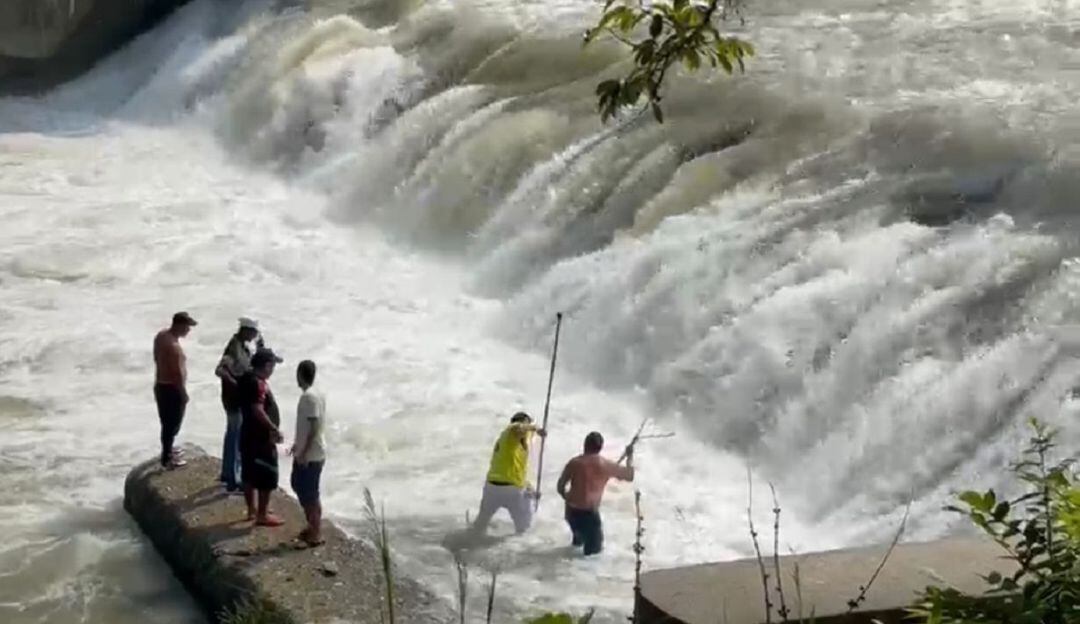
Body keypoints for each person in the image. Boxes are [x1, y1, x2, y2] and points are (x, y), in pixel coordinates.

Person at [556, 431, 635, 556]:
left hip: (571, 513)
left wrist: (568, 498)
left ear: (585, 445)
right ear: (600, 447)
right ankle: (579, 575)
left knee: (577, 546)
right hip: (589, 515)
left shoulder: (574, 463)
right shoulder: (605, 465)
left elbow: (560, 487)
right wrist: (630, 456)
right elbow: (630, 476)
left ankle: (567, 572)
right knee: (593, 556)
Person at [470, 412, 546, 536]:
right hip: (511, 491)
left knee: (480, 525)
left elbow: (514, 473)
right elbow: (518, 427)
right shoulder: (510, 432)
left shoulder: (516, 446)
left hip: (493, 488)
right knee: (524, 531)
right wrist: (536, 428)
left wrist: (531, 490)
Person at [239, 347, 285, 527]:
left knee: (248, 473)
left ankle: (252, 510)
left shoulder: (245, 378)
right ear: (266, 365)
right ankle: (262, 514)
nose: (273, 370)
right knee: (267, 475)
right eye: (272, 365)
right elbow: (257, 409)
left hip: (247, 433)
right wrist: (273, 428)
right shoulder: (258, 383)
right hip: (260, 438)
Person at [214, 317, 261, 493]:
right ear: (246, 331)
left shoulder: (241, 346)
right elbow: (219, 369)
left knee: (233, 435)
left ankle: (228, 473)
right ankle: (235, 479)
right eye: (254, 333)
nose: (255, 336)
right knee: (237, 438)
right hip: (234, 400)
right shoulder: (234, 348)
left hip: (236, 399)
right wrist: (235, 384)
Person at [153, 312, 197, 469]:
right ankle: (167, 458)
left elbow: (156, 357)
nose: (188, 330)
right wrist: (183, 394)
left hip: (160, 385)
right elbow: (177, 374)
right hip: (171, 389)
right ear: (178, 325)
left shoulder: (161, 336)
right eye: (187, 327)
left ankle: (168, 450)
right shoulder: (174, 347)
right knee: (172, 424)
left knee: (166, 423)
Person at [290, 360, 327, 546]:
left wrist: (303, 452)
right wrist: (297, 446)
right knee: (298, 485)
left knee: (309, 493)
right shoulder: (315, 394)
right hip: (309, 451)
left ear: (299, 374)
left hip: (311, 454)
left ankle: (316, 531)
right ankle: (312, 527)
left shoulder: (309, 398)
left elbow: (314, 427)